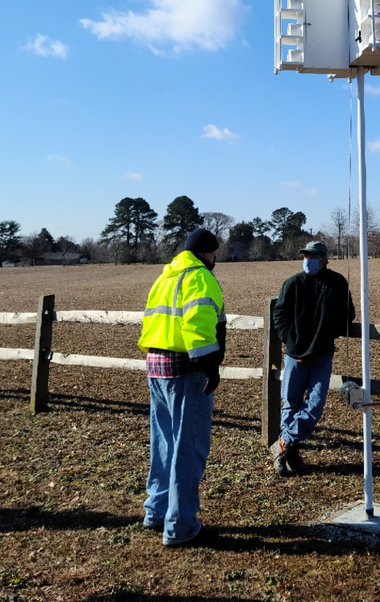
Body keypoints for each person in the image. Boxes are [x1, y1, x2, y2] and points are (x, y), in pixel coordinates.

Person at [138, 227, 226, 547]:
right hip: (186, 370)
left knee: (163, 443)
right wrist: (210, 367)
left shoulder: (165, 276)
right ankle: (180, 526)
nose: (216, 258)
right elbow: (197, 327)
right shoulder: (199, 277)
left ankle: (156, 511)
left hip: (156, 366)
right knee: (188, 448)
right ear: (206, 252)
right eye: (214, 252)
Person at [270, 240, 355, 476]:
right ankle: (290, 454)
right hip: (294, 355)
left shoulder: (338, 282)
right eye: (306, 256)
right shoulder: (293, 283)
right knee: (291, 403)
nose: (309, 260)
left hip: (322, 354)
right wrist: (290, 338)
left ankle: (282, 443)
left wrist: (328, 334)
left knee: (315, 404)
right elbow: (280, 313)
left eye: (314, 256)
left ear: (325, 258)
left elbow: (348, 314)